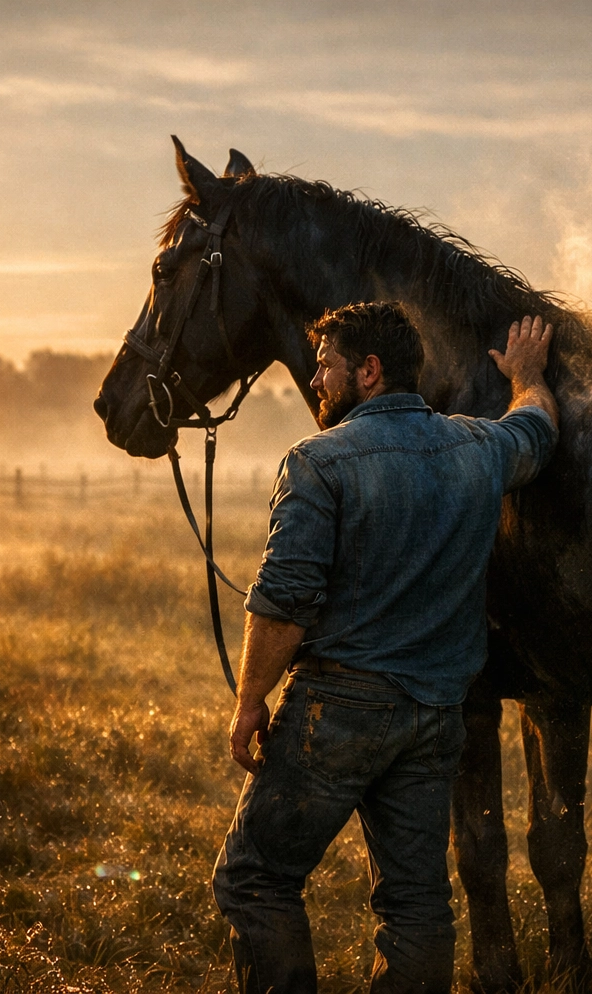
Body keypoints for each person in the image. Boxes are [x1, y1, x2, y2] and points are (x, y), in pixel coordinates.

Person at [212, 301, 560, 994]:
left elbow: (284, 603)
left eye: (326, 366)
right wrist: (527, 375)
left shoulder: (317, 461)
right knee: (416, 904)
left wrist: (250, 701)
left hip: (337, 711)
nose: (314, 380)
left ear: (369, 372)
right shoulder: (478, 447)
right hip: (435, 719)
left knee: (254, 878)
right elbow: (538, 428)